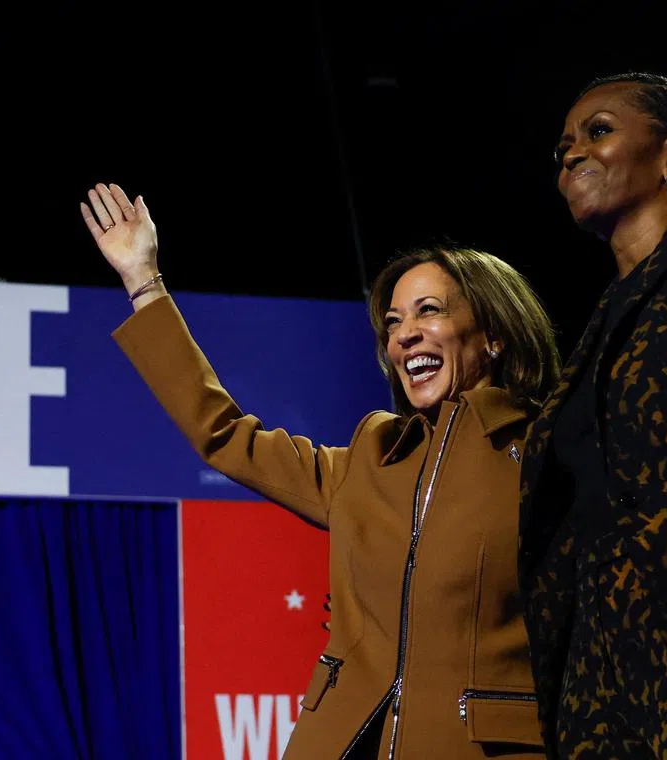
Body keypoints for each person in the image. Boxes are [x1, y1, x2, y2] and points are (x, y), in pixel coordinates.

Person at [80, 182, 561, 759]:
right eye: (392, 322)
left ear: (496, 333)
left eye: (428, 311)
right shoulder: (373, 453)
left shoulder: (548, 457)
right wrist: (143, 281)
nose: (404, 334)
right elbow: (226, 436)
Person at [519, 71, 667, 759]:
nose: (570, 152)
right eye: (563, 144)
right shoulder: (596, 331)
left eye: (598, 131)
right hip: (601, 676)